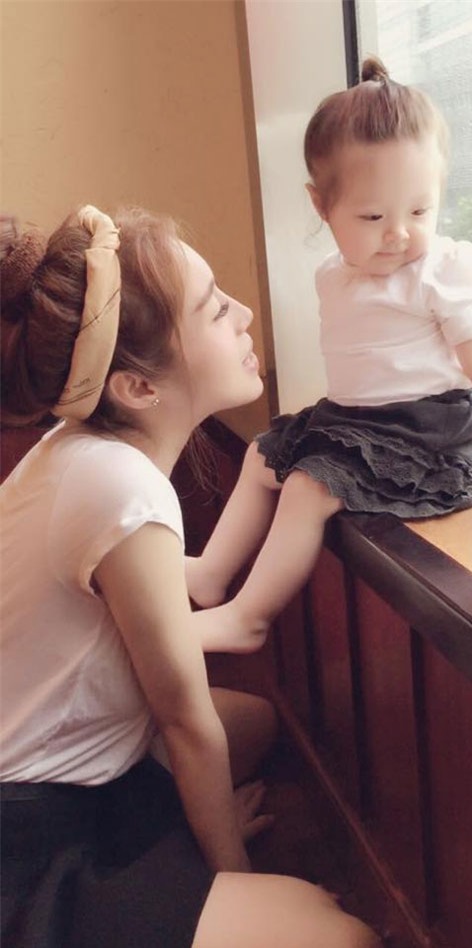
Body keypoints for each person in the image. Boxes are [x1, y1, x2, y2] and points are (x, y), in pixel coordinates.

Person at [0, 205, 381, 948]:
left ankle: (175, 844)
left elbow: (176, 587)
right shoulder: (120, 485)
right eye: (213, 308)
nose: (243, 314)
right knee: (340, 933)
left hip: (75, 767)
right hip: (29, 830)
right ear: (138, 389)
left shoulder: (76, 452)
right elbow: (184, 719)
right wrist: (231, 871)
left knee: (254, 724)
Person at [185, 57, 472, 653]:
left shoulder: (442, 269)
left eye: (420, 211)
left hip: (422, 435)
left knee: (309, 486)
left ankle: (249, 616)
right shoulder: (335, 274)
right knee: (259, 454)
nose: (399, 233)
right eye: (374, 216)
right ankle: (210, 572)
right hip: (354, 422)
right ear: (320, 206)